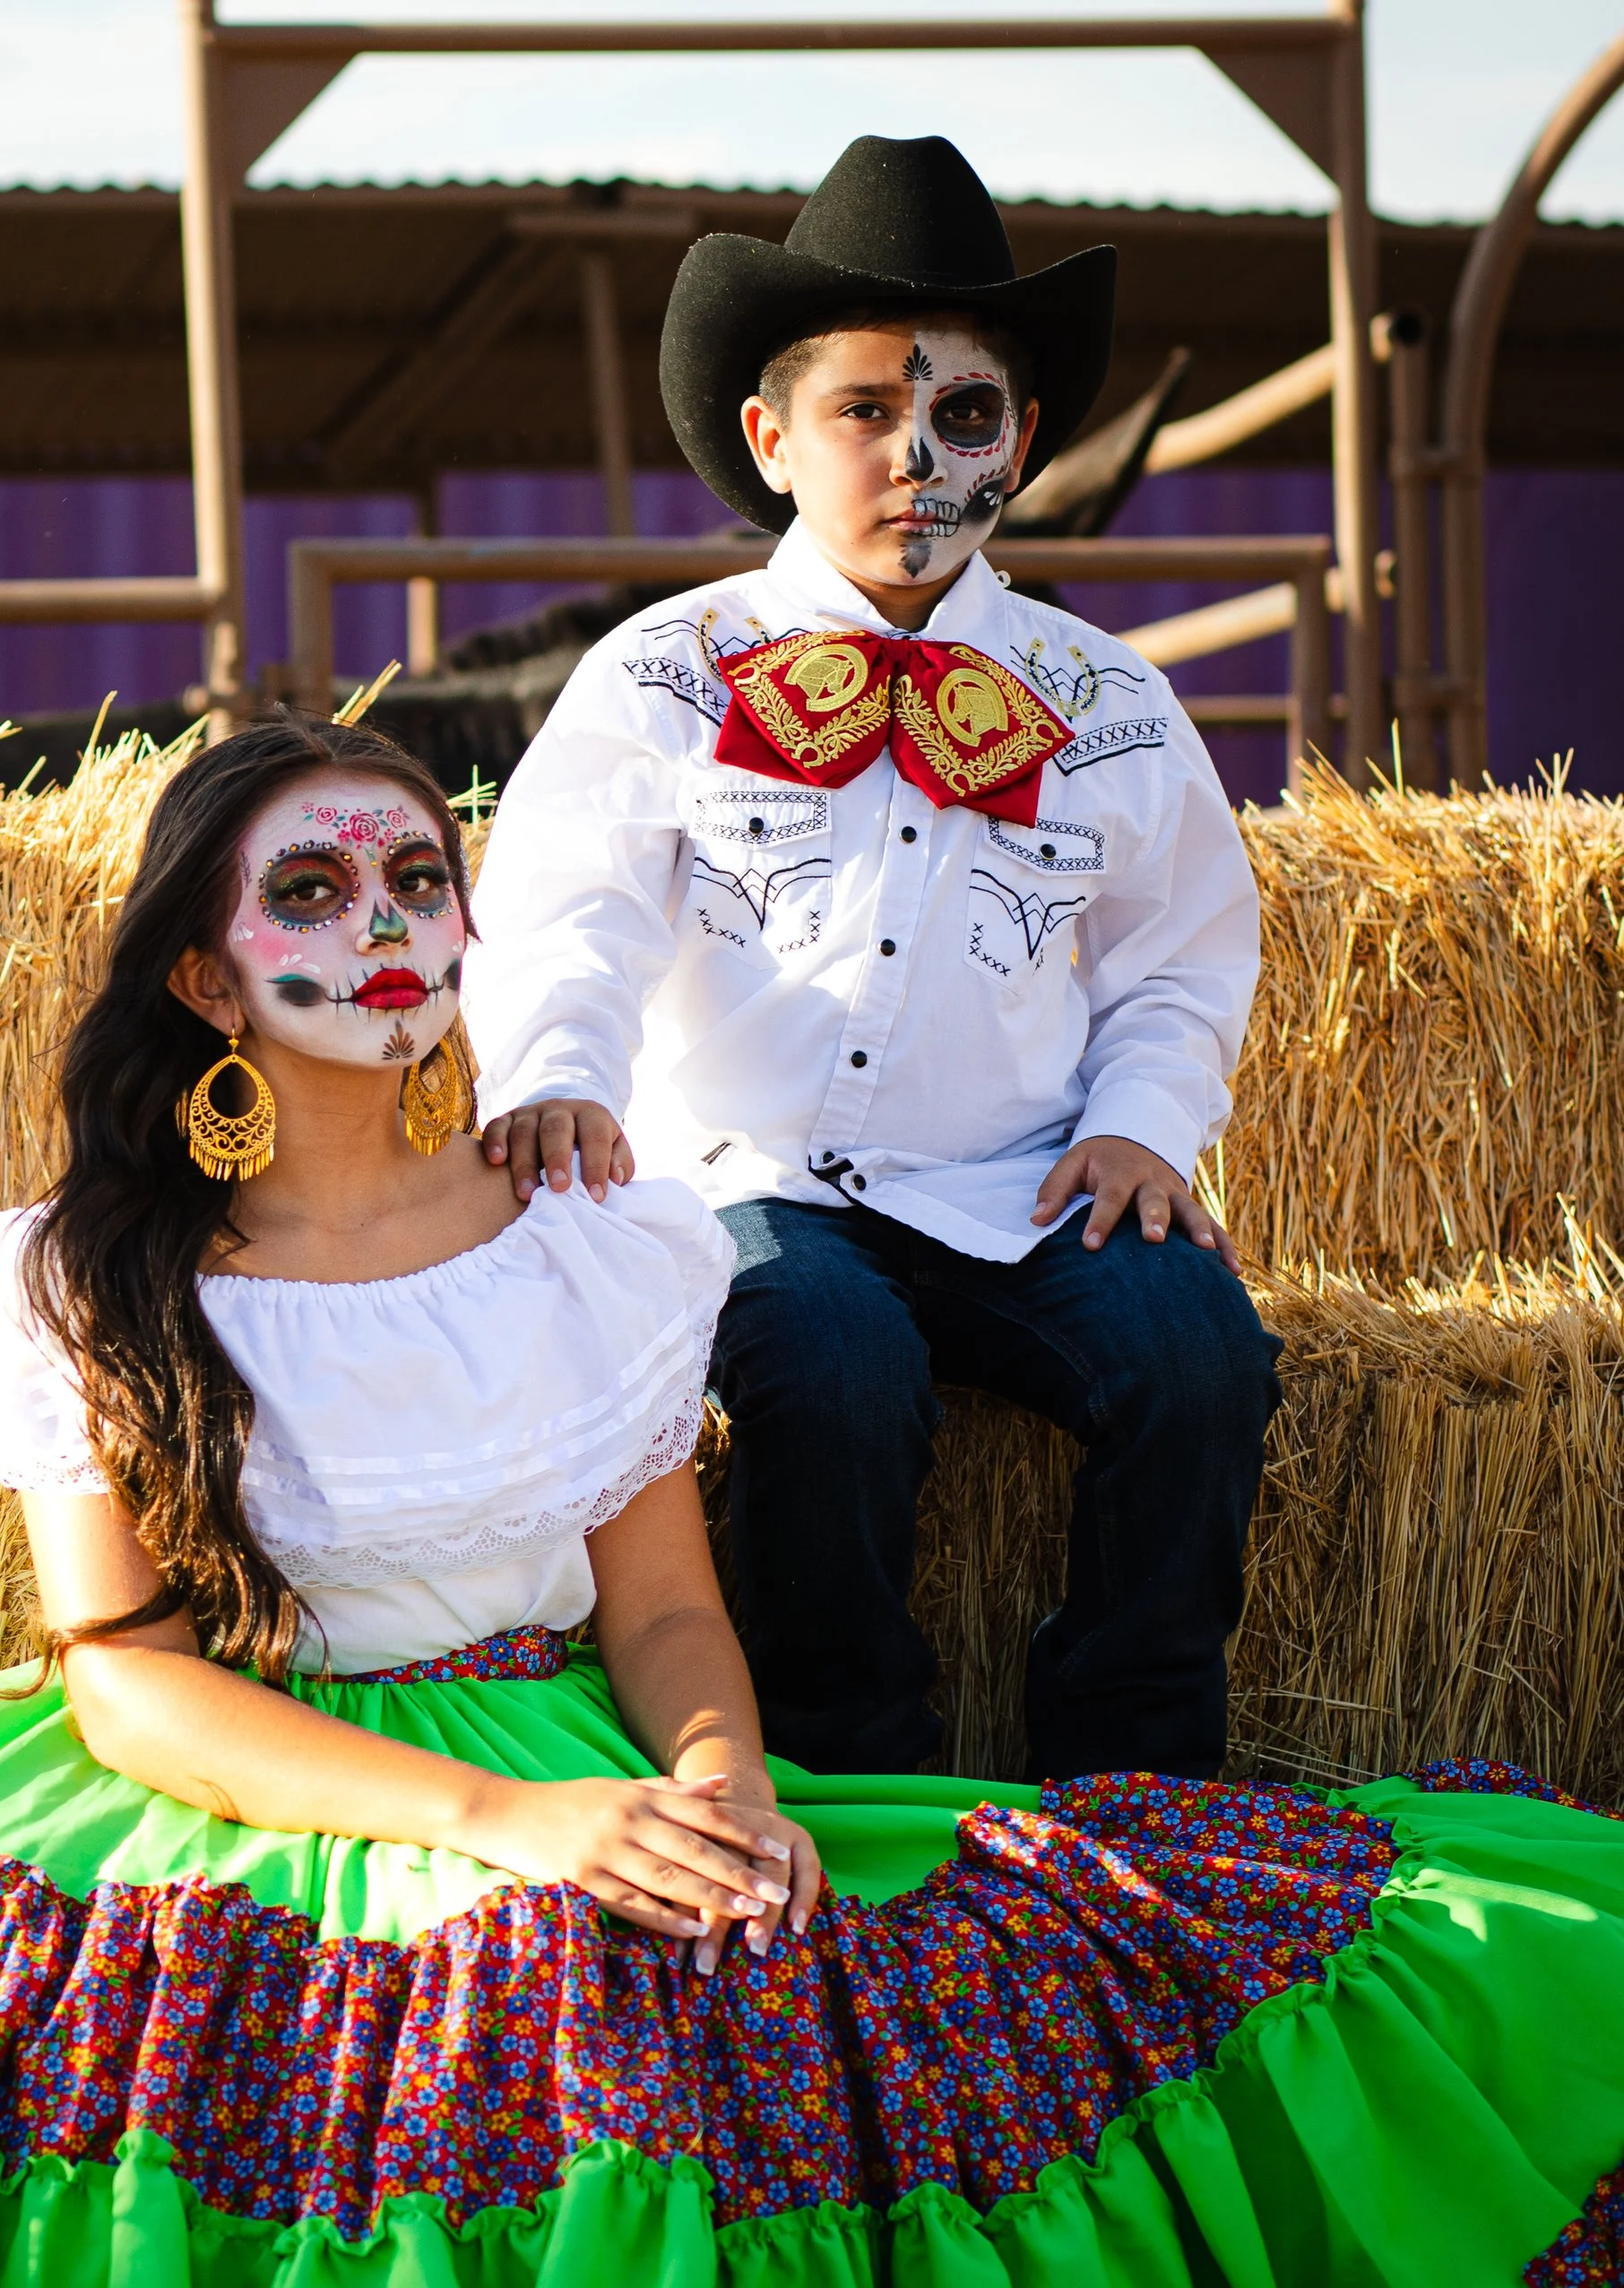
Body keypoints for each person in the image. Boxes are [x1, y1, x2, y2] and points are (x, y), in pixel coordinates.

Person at [0, 716, 1621, 2288]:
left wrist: (719, 1778)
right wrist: (501, 1828)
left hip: (578, 1739)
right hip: (264, 1794)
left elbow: (658, 1604)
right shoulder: (69, 1275)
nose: (383, 924)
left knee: (1059, 1977)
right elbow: (133, 1688)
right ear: (201, 969)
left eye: (416, 880)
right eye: (312, 889)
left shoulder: (594, 1242)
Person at [465, 134, 1281, 1784]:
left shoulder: (1107, 700)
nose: (916, 453)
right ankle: (843, 1769)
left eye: (963, 413)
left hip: (1020, 1185)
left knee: (1198, 1348)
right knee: (825, 1363)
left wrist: (1142, 1125)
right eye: (863, 411)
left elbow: (1183, 955)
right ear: (771, 439)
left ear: (1024, 441)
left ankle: (1138, 1775)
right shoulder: (667, 673)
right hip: (755, 1177)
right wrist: (557, 1075)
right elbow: (573, 908)